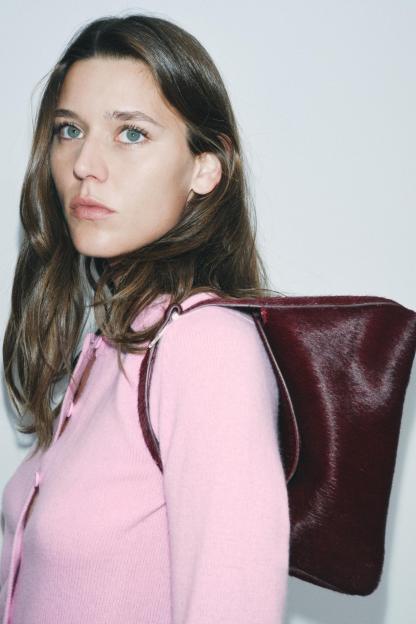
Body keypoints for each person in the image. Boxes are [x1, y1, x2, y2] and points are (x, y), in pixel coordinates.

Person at [0, 12, 290, 624]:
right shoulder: (111, 344)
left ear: (205, 167)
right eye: (70, 130)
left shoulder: (205, 346)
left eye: (131, 133)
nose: (85, 163)